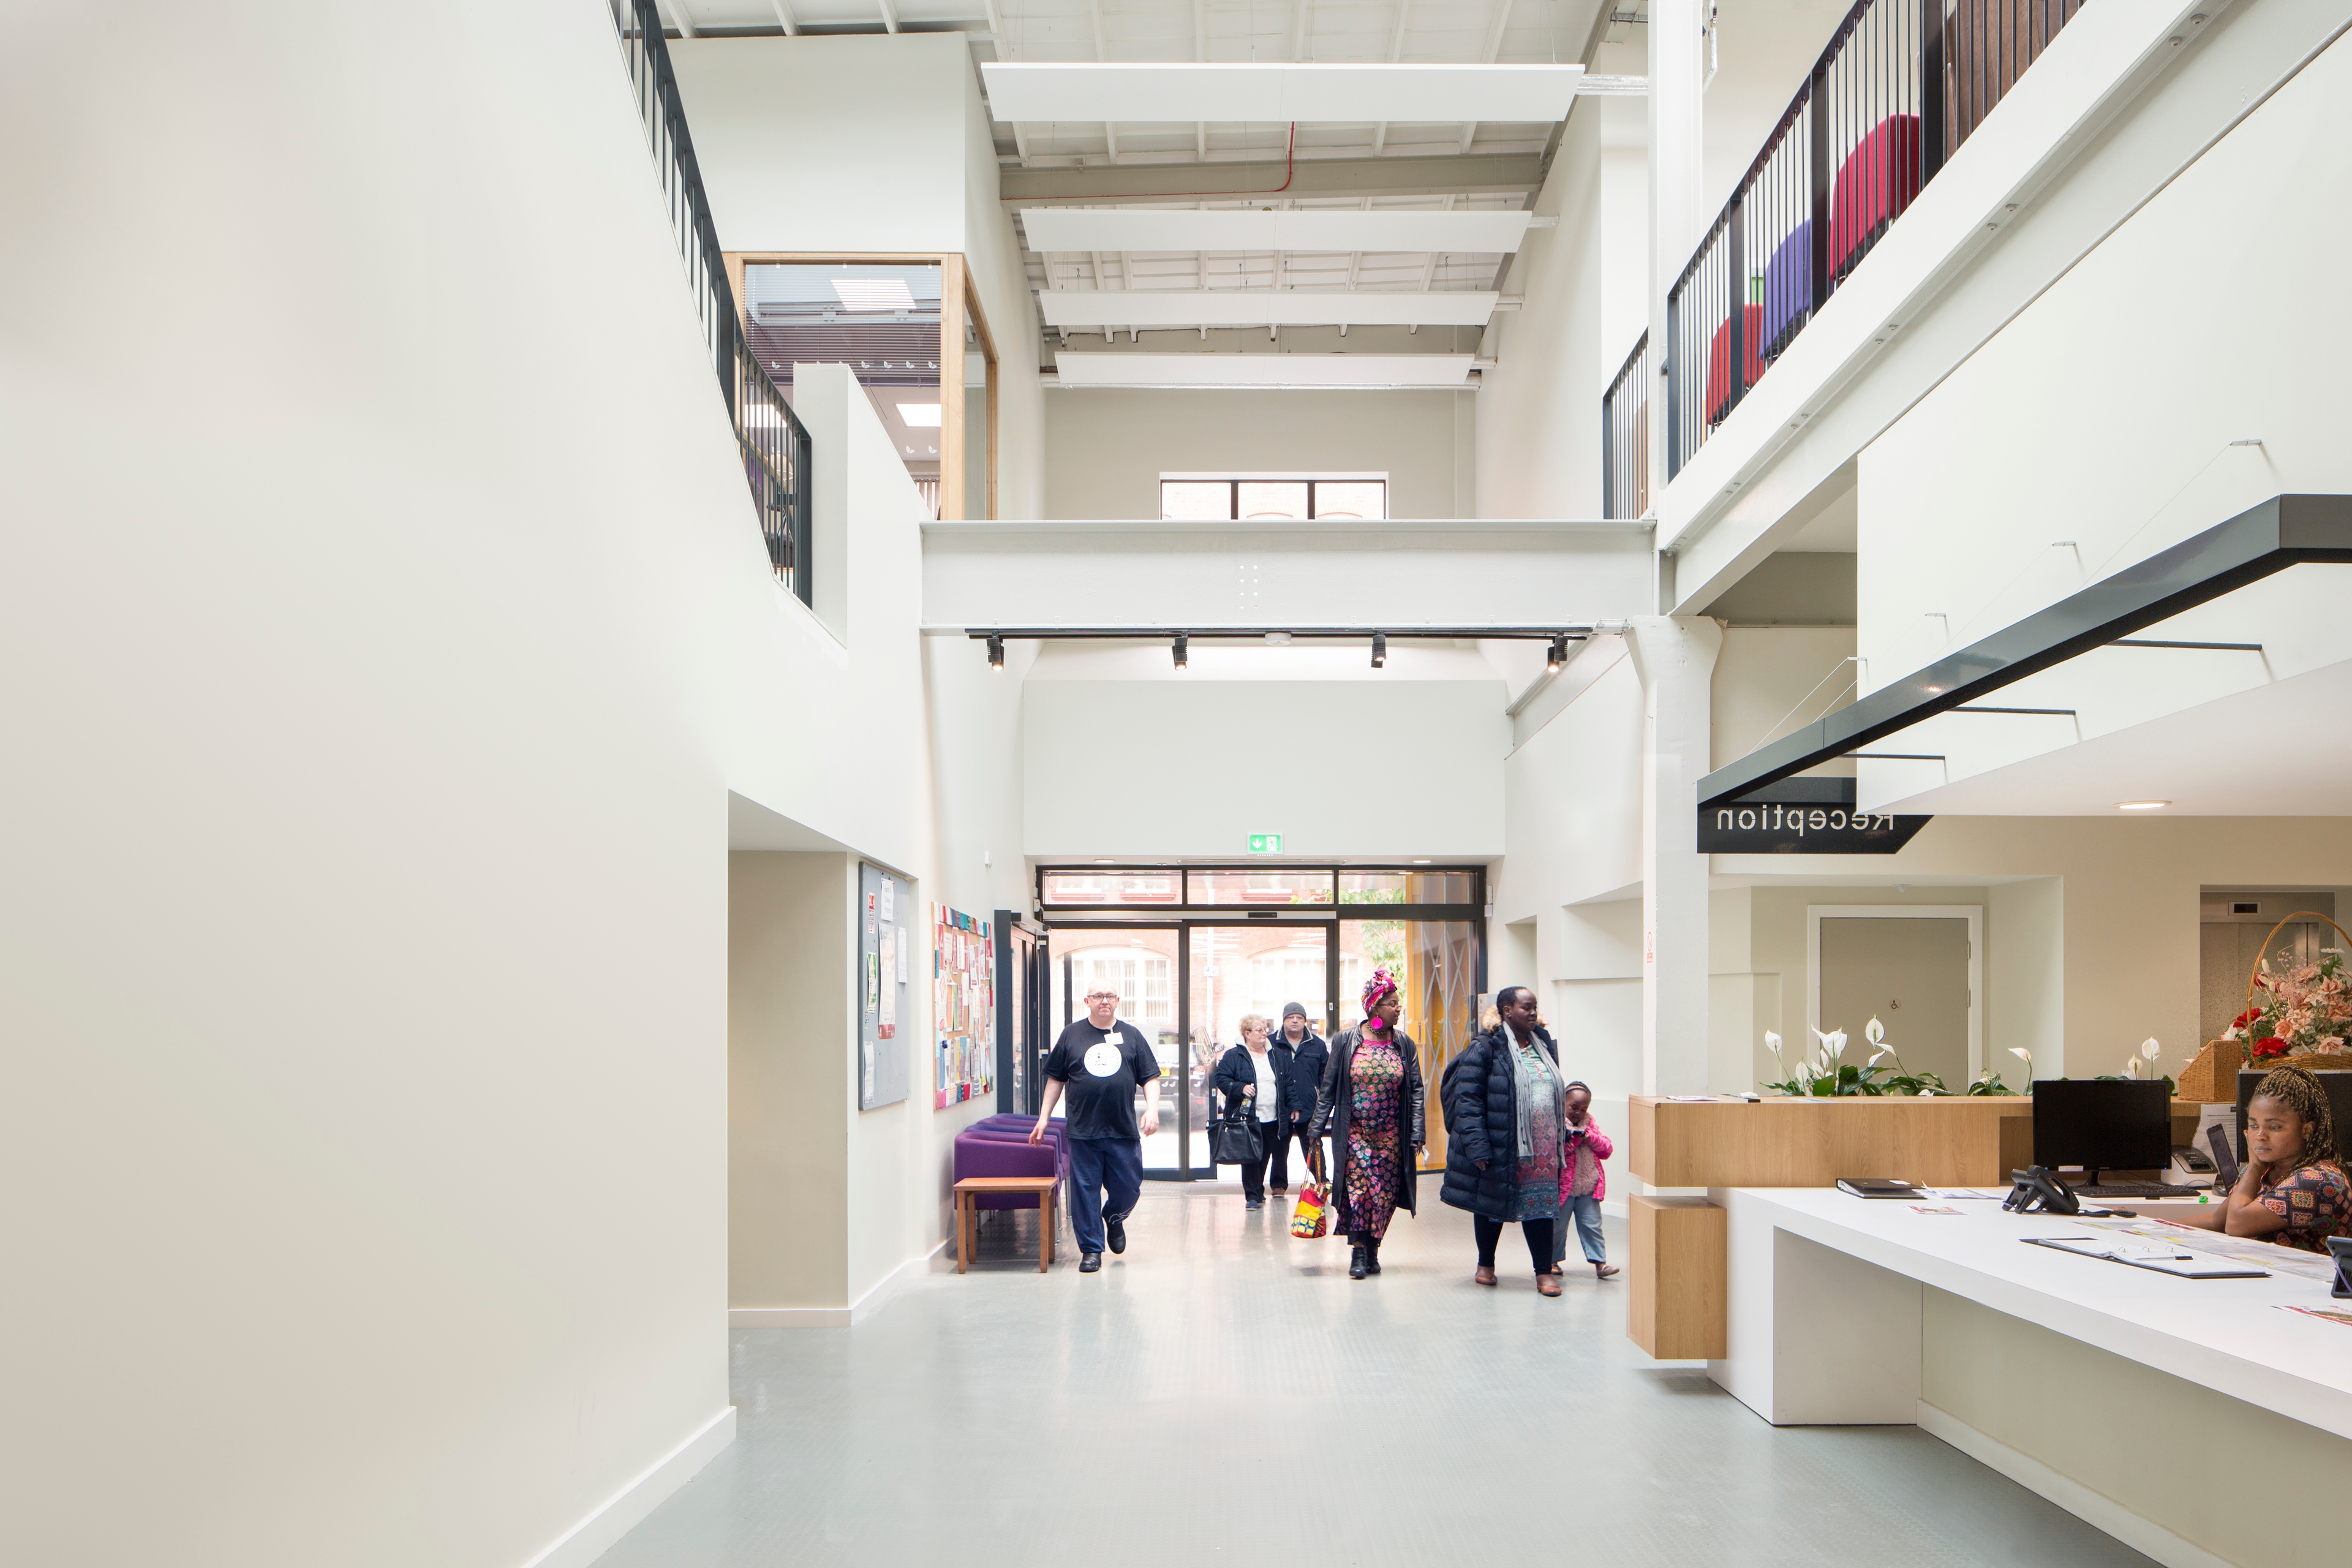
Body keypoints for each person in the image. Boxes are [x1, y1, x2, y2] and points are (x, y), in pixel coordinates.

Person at [1441, 986, 1567, 1295]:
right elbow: (1467, 1100)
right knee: (1491, 1203)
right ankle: (1486, 1263)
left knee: (1541, 1207)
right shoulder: (1486, 1048)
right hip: (1502, 1141)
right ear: (1507, 1011)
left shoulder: (1545, 1045)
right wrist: (1477, 1145)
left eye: (1535, 1007)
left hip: (1543, 1149)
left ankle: (1542, 1271)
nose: (1533, 1013)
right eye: (1527, 1007)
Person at [1033, 985, 1161, 1273]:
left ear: (1118, 1001)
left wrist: (1152, 1110)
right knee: (1085, 1191)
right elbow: (1056, 1080)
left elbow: (1151, 1077)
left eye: (1111, 996)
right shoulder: (1071, 1035)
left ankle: (1114, 1216)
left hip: (1123, 1128)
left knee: (1129, 1188)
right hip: (1083, 1130)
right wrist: (1044, 1118)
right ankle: (1091, 1250)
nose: (1105, 1001)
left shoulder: (1133, 1036)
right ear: (1087, 1001)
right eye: (1098, 997)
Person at [1313, 968, 1425, 1280]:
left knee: (1384, 1193)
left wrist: (1417, 1132)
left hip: (1392, 1135)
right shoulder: (1347, 1040)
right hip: (1355, 1132)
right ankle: (1359, 1251)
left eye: (1398, 1003)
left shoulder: (1404, 1043)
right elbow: (1329, 1086)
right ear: (1375, 1007)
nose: (1398, 1008)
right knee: (1359, 1190)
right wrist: (1316, 1130)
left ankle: (1374, 1247)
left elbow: (1416, 1089)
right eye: (1392, 1003)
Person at [2175, 1062, 2350, 1253]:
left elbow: (2236, 1225)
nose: (2260, 1136)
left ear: (2307, 1130)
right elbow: (2218, 1220)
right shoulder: (2270, 1168)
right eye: (2254, 1126)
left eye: (2274, 1127)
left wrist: (2254, 1167)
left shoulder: (2317, 1180)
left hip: (2305, 1280)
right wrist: (2154, 1227)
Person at [1212, 1013, 1291, 1210]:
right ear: (1247, 1034)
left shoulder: (1276, 1054)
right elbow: (1221, 1078)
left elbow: (1287, 1083)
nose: (1265, 1033)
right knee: (1250, 1156)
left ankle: (1258, 1190)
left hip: (1272, 1115)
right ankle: (1252, 1196)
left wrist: (1293, 1107)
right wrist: (1240, 1088)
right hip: (1247, 1116)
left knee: (1264, 1155)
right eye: (1259, 1030)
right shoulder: (1234, 1055)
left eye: (1266, 1029)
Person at [1556, 1080, 1619, 1280]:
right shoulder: (1557, 1124)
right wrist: (1574, 1139)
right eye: (1574, 1107)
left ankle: (1600, 1264)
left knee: (1592, 1225)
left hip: (1588, 1187)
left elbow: (1606, 1149)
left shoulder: (1590, 1124)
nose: (1578, 1113)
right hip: (1564, 1190)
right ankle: (1551, 1261)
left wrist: (1589, 1138)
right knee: (1557, 1228)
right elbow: (1557, 1154)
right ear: (1562, 1104)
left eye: (1584, 1109)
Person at [1276, 1002, 1327, 1194]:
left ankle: (1322, 1181)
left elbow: (1326, 1074)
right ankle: (1279, 1185)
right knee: (1279, 1148)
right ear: (1284, 1021)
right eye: (1290, 1018)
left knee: (1313, 1146)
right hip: (1282, 1106)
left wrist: (1321, 1095)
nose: (1295, 1021)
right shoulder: (1272, 1043)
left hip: (1308, 1105)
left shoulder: (1318, 1045)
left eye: (1299, 1017)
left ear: (1305, 1021)